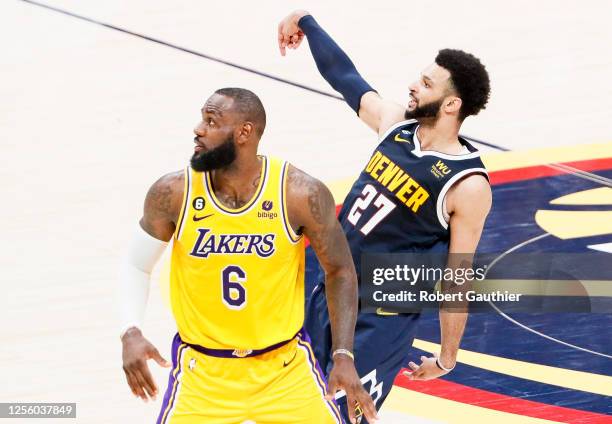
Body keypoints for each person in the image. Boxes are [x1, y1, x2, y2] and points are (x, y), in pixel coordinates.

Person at [278, 11, 493, 422]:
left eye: (427, 84)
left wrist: (447, 358)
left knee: (337, 417)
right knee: (289, 408)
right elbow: (347, 79)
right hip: (331, 291)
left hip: (380, 318)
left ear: (452, 104)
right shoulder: (395, 125)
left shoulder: (467, 185)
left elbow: (457, 279)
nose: (414, 85)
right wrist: (307, 23)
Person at [117, 87, 378, 424]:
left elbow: (340, 270)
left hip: (284, 370)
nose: (198, 128)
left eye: (211, 121)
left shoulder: (299, 194)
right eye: (202, 118)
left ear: (244, 132)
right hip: (204, 374)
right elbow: (136, 264)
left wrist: (343, 354)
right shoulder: (173, 193)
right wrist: (130, 331)